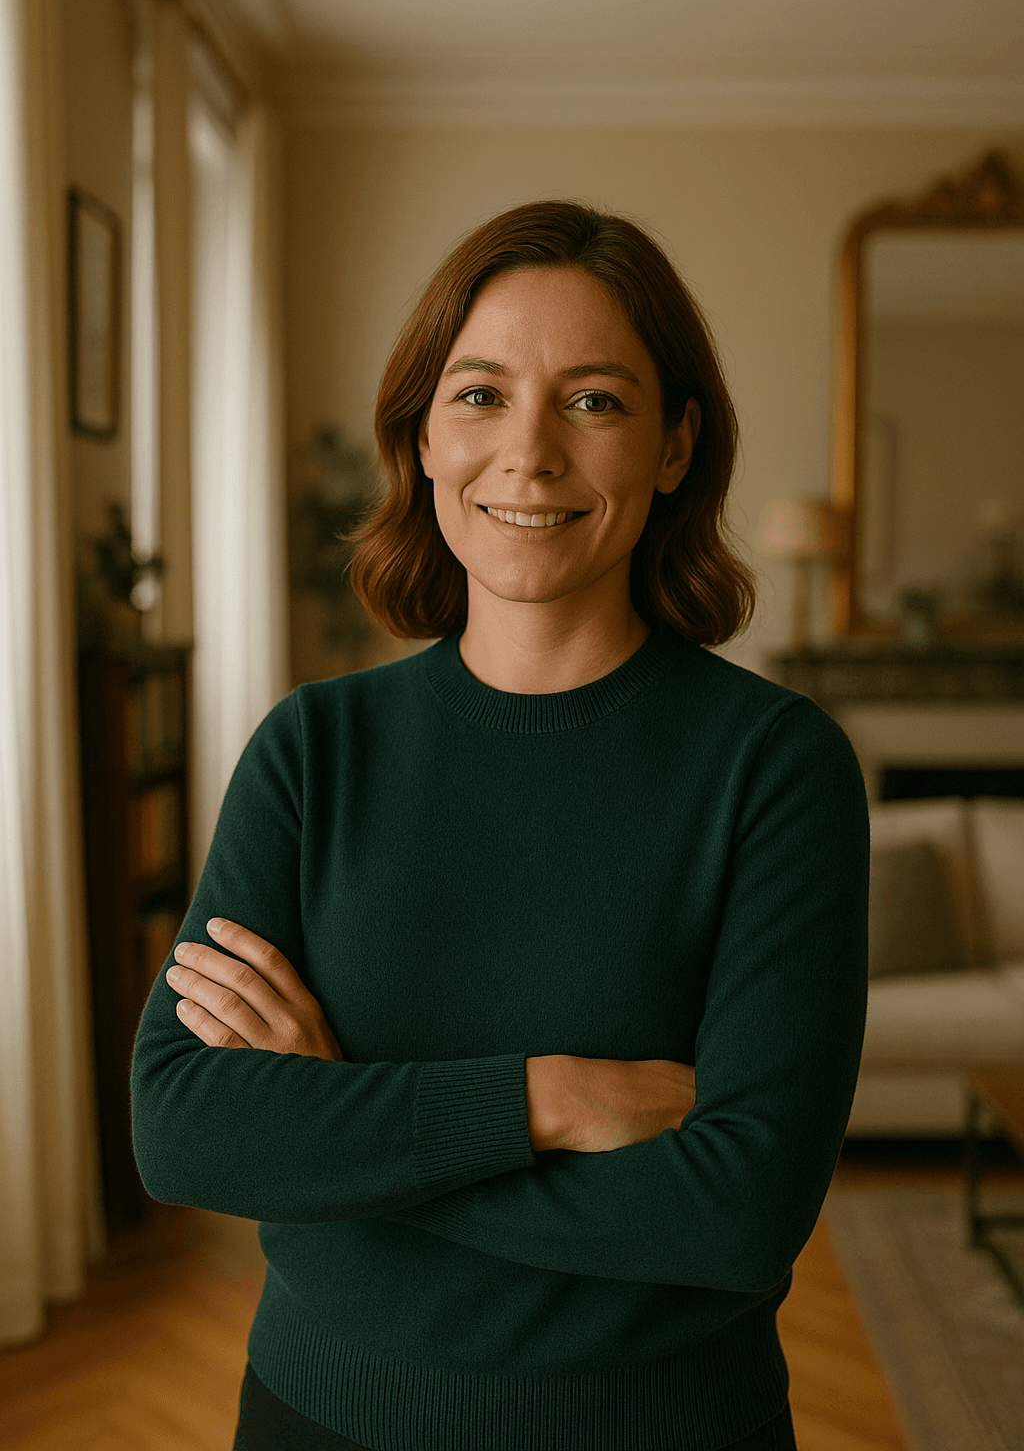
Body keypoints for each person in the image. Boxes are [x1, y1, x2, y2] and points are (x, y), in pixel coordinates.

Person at [131, 200, 869, 1451]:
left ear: (674, 446)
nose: (529, 454)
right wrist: (540, 1101)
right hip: (316, 1421)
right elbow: (184, 1130)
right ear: (422, 437)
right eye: (479, 395)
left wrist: (341, 1124)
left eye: (593, 401)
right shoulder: (312, 750)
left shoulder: (774, 767)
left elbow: (739, 1215)